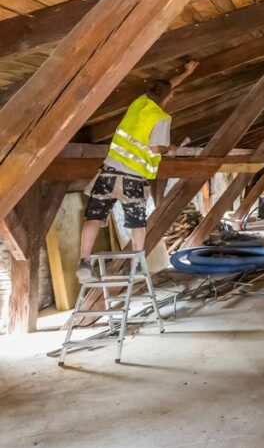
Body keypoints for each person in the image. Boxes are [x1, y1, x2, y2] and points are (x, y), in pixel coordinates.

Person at [76, 61, 198, 282]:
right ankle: (138, 265)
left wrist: (185, 73)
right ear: (168, 98)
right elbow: (155, 148)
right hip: (132, 178)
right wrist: (170, 149)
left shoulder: (139, 103)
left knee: (93, 217)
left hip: (109, 173)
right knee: (136, 222)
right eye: (171, 96)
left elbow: (166, 85)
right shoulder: (161, 117)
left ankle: (84, 262)